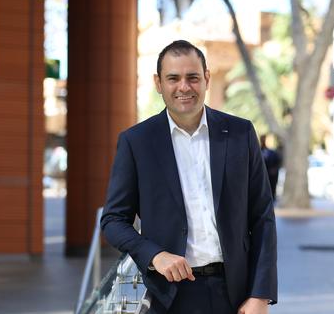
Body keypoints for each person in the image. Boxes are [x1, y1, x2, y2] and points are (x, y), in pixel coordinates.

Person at [101, 40, 277, 314]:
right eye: (173, 78)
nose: (184, 87)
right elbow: (113, 220)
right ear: (159, 83)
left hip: (234, 295)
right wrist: (154, 255)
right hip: (166, 296)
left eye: (192, 77)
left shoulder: (241, 134)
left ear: (206, 78)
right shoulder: (137, 142)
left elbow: (262, 217)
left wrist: (260, 295)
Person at [260, 135, 282, 200]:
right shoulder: (257, 151)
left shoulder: (273, 153)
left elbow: (278, 162)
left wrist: (274, 170)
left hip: (271, 176)